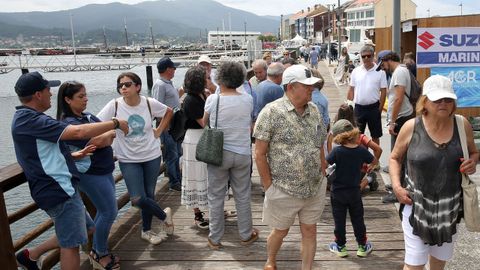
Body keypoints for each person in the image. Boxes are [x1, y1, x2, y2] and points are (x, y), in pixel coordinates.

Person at [12, 71, 128, 270]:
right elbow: (79, 132)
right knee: (71, 245)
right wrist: (116, 123)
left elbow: (39, 152)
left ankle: (31, 254)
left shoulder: (29, 118)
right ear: (38, 94)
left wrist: (73, 155)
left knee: (87, 228)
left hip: (62, 186)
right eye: (48, 89)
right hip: (57, 189)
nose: (51, 93)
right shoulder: (30, 120)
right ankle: (32, 255)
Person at [389, 75, 479, 270]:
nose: (443, 103)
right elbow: (395, 157)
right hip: (416, 207)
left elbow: (473, 152)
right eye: (437, 99)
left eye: (448, 99)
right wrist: (396, 186)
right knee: (415, 265)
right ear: (425, 101)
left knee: (438, 264)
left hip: (449, 209)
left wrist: (473, 162)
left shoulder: (462, 125)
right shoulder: (412, 127)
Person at [254, 65, 327, 270]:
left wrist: (323, 173)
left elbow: (320, 143)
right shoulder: (271, 112)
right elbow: (259, 153)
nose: (311, 89)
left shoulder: (314, 110)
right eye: (307, 86)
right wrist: (269, 187)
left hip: (314, 187)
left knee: (310, 231)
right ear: (292, 87)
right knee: (280, 231)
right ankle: (271, 260)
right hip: (283, 188)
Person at [97, 72, 174, 245]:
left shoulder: (148, 103)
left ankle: (146, 231)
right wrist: (110, 131)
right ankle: (164, 216)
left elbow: (169, 111)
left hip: (151, 155)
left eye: (127, 84)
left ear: (137, 87)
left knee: (149, 195)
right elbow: (96, 122)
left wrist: (159, 130)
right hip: (128, 158)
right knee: (137, 198)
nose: (123, 87)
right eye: (120, 85)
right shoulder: (114, 105)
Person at [56, 81, 120, 269]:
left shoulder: (88, 116)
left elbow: (109, 134)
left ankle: (99, 249)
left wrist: (103, 137)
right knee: (109, 211)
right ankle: (99, 252)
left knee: (104, 210)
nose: (86, 99)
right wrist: (103, 137)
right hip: (90, 173)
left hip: (104, 169)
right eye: (80, 97)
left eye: (85, 95)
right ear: (67, 99)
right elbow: (96, 139)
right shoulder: (68, 123)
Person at [202, 62, 258, 250]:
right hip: (242, 153)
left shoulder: (213, 100)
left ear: (220, 79)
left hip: (218, 153)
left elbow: (204, 123)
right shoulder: (248, 99)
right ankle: (245, 234)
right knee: (242, 195)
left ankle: (215, 238)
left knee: (216, 196)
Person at [326, 119, 374, 258]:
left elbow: (325, 164)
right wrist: (371, 167)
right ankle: (362, 246)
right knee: (358, 219)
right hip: (354, 192)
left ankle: (340, 247)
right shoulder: (361, 151)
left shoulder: (337, 151)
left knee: (339, 221)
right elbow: (373, 160)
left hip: (338, 193)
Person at [379, 51, 413, 203]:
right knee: (400, 155)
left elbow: (398, 98)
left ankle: (398, 191)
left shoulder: (399, 72)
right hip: (403, 117)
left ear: (388, 60)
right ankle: (399, 185)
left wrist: (392, 122)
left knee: (397, 157)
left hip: (401, 118)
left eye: (383, 64)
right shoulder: (403, 70)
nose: (383, 68)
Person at [326, 104, 381, 192]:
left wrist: (372, 165)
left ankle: (370, 178)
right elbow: (329, 153)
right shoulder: (334, 133)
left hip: (357, 169)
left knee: (353, 190)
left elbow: (378, 149)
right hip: (340, 168)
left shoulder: (360, 137)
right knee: (330, 186)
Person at [180, 66, 210, 229]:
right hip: (194, 138)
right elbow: (203, 122)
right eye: (205, 77)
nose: (208, 79)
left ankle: (211, 208)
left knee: (205, 173)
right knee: (195, 174)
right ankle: (197, 213)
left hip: (201, 136)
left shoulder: (201, 94)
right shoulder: (191, 99)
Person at [347, 45, 387, 148]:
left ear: (373, 56)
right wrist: (348, 105)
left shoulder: (380, 72)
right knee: (358, 136)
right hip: (359, 108)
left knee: (375, 136)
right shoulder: (356, 71)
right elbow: (351, 89)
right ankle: (363, 160)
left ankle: (375, 160)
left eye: (368, 56)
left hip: (374, 108)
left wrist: (380, 109)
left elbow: (383, 92)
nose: (366, 58)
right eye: (363, 56)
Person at [152, 56, 182, 192]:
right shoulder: (160, 85)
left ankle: (178, 179)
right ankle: (174, 182)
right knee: (172, 155)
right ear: (168, 69)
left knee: (177, 153)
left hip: (176, 126)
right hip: (168, 127)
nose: (175, 70)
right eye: (173, 68)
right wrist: (164, 125)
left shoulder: (168, 83)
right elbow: (157, 107)